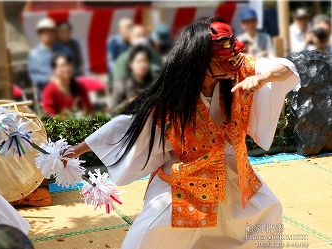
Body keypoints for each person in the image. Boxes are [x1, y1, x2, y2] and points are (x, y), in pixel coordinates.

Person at [67, 18, 300, 248]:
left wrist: (261, 78)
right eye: (222, 58)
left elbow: (286, 69)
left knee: (268, 211)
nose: (231, 61)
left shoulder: (242, 71)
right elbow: (126, 126)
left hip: (233, 171)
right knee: (150, 231)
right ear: (201, 61)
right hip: (185, 177)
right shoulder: (174, 97)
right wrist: (75, 151)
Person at [110, 44, 153, 114]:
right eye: (139, 61)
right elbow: (111, 111)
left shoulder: (153, 85)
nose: (143, 65)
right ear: (131, 64)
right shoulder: (121, 85)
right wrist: (128, 103)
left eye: (145, 61)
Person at [27, 17, 56, 98]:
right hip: (45, 92)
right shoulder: (34, 54)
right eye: (45, 33)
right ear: (40, 35)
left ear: (54, 34)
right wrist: (49, 79)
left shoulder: (61, 50)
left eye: (50, 32)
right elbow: (34, 77)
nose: (48, 35)